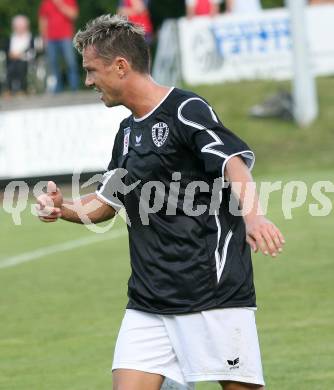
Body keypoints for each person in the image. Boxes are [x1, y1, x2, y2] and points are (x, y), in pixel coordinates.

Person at [36, 15, 285, 390]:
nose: (87, 81)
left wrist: (254, 217)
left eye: (91, 70)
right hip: (150, 299)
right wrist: (62, 207)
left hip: (211, 293)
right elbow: (106, 202)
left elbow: (232, 162)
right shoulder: (127, 133)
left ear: (120, 66)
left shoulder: (186, 109)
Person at [38, 0, 79, 93]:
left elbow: (73, 15)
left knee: (70, 63)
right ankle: (58, 89)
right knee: (53, 64)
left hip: (66, 36)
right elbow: (43, 20)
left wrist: (59, 3)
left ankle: (74, 87)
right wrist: (43, 37)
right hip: (50, 39)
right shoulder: (46, 2)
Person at [5, 15, 34, 95]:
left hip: (26, 61)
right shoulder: (11, 37)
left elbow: (31, 52)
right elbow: (8, 51)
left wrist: (20, 55)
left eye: (21, 26)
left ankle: (22, 89)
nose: (20, 28)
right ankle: (8, 89)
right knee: (10, 67)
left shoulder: (30, 37)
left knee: (20, 66)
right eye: (18, 26)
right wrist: (12, 55)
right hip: (12, 61)